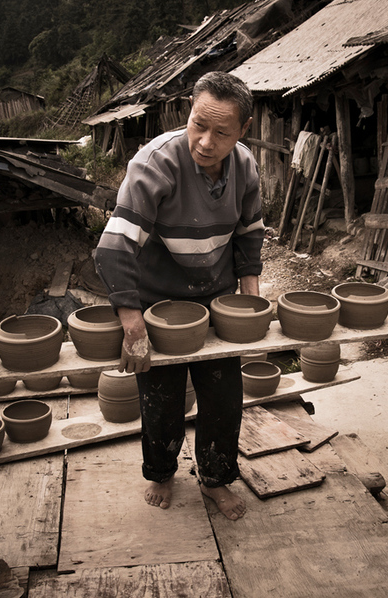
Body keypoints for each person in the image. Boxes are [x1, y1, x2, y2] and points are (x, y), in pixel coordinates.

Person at [94, 71, 264, 521]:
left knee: (224, 394)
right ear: (186, 114)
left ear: (243, 130)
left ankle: (215, 479)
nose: (205, 141)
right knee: (162, 396)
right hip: (159, 301)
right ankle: (162, 472)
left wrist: (249, 298)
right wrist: (131, 321)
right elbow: (115, 246)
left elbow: (249, 232)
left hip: (216, 296)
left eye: (221, 132)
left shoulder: (245, 165)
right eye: (197, 125)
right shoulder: (155, 163)